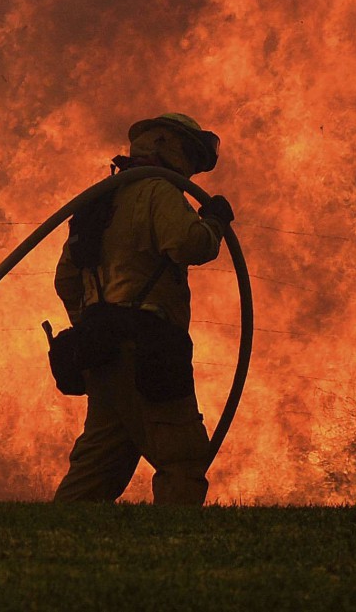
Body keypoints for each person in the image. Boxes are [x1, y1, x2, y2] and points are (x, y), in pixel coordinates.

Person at [52, 112, 235, 505]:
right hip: (149, 348)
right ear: (167, 145)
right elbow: (188, 244)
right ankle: (174, 553)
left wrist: (94, 326)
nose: (191, 167)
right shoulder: (157, 191)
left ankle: (50, 547)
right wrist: (214, 223)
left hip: (100, 350)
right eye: (188, 153)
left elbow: (66, 280)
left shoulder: (99, 200)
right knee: (182, 458)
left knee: (96, 466)